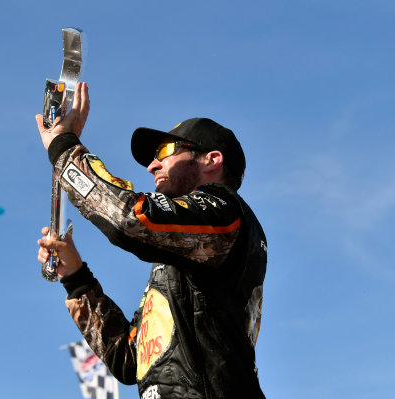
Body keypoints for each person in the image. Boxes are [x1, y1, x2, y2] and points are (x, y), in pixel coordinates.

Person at [36, 82, 268, 398]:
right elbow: (130, 358)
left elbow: (129, 219)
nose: (152, 165)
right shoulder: (187, 251)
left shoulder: (224, 212)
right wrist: (77, 279)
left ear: (212, 160)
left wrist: (64, 148)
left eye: (166, 152)